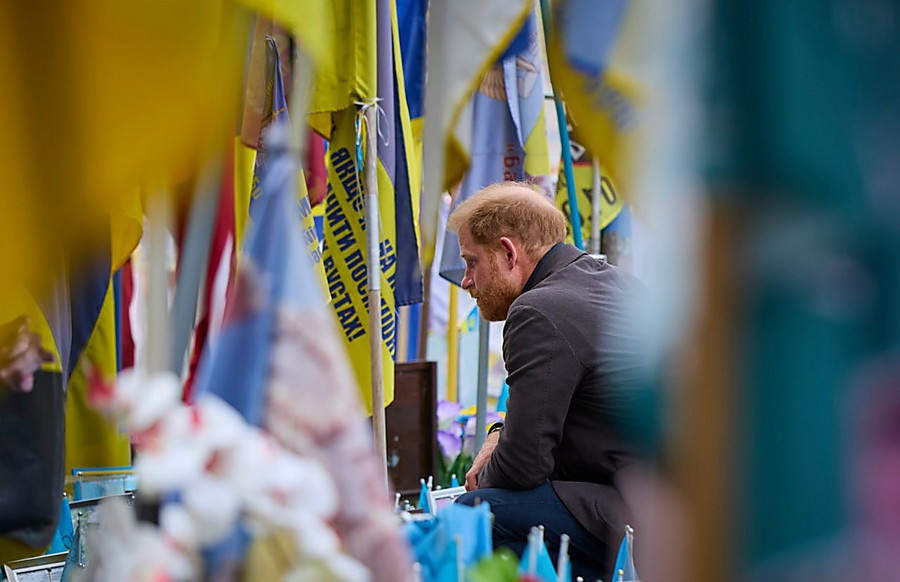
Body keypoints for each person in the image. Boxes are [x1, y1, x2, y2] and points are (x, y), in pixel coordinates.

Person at [451, 182, 648, 580]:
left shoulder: (539, 310)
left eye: (472, 262)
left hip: (634, 520)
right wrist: (499, 433)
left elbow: (522, 466)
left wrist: (481, 476)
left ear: (508, 253)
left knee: (473, 514)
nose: (466, 281)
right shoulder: (616, 283)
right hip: (673, 506)